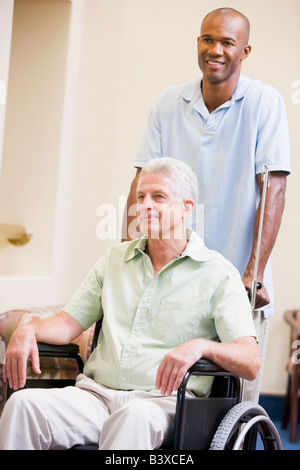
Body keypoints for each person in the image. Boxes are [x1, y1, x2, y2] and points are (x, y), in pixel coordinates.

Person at [0, 158, 260, 450]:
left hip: (162, 404)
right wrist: (29, 329)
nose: (144, 205)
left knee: (133, 417)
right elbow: (67, 323)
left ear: (187, 208)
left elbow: (250, 361)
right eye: (141, 197)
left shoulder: (217, 274)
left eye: (158, 196)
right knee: (23, 405)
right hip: (95, 396)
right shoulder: (114, 260)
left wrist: (202, 345)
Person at [123, 8, 290, 402]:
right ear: (198, 42)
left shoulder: (264, 102)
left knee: (235, 402)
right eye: (207, 39)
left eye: (227, 42)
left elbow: (273, 187)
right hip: (176, 279)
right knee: (167, 400)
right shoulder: (169, 103)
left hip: (237, 280)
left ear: (244, 51)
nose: (215, 50)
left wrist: (257, 271)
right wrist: (131, 259)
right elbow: (140, 184)